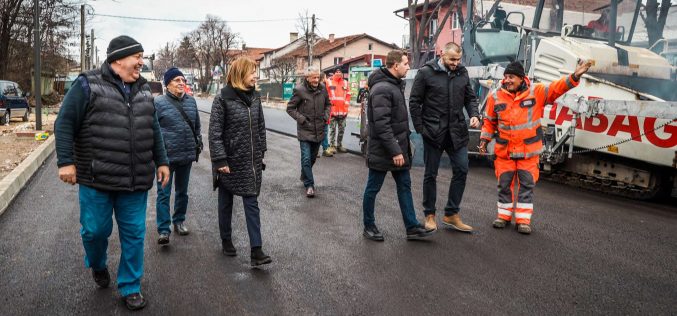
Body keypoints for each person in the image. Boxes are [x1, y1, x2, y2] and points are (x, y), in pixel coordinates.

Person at [55, 35, 169, 310]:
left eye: (142, 57)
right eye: (137, 57)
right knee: (95, 231)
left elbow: (153, 129)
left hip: (135, 180)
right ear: (118, 59)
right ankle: (97, 263)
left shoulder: (144, 90)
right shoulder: (87, 84)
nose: (142, 62)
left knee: (134, 235)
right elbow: (64, 122)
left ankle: (130, 285)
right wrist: (65, 162)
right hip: (97, 180)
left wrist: (162, 161)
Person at [479, 60, 592, 234]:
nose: (507, 80)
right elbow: (489, 122)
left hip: (528, 152)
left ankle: (523, 221)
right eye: (506, 77)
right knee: (504, 184)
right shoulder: (495, 96)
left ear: (521, 78)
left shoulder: (536, 92)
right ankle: (503, 216)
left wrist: (575, 75)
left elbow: (557, 87)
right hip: (505, 152)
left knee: (526, 186)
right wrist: (484, 140)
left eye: (511, 77)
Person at [362, 50, 435, 241]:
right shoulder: (382, 89)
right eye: (405, 63)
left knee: (404, 185)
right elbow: (381, 124)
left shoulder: (394, 85)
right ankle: (368, 226)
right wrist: (395, 150)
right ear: (395, 66)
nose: (408, 67)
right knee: (373, 188)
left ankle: (411, 226)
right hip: (384, 150)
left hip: (398, 148)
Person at [409, 42, 480, 233]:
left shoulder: (462, 72)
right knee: (431, 174)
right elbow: (414, 102)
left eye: (458, 59)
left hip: (456, 131)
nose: (456, 63)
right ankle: (429, 215)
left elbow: (470, 98)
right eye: (452, 59)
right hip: (433, 132)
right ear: (441, 55)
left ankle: (451, 214)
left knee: (462, 169)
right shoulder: (426, 73)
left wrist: (474, 114)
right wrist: (420, 129)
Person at [209, 56, 272, 266]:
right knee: (226, 202)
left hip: (250, 160)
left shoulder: (255, 98)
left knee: (251, 202)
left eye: (256, 72)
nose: (256, 75)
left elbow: (260, 126)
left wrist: (261, 151)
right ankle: (226, 239)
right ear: (240, 74)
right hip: (228, 160)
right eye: (252, 72)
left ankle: (256, 250)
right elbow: (215, 133)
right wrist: (219, 161)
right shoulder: (222, 99)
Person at [153, 67, 202, 245]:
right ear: (168, 84)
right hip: (165, 159)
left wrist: (197, 142)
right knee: (163, 194)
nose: (181, 83)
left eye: (183, 80)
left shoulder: (191, 102)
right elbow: (153, 130)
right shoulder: (158, 103)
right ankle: (163, 230)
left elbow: (196, 126)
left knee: (182, 192)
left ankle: (179, 221)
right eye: (177, 80)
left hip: (186, 156)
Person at [286, 66, 331, 197]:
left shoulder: (323, 88)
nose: (317, 80)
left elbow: (328, 104)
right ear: (307, 78)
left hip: (319, 129)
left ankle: (304, 174)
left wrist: (326, 116)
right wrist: (302, 119)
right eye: (314, 77)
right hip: (305, 129)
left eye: (318, 77)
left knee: (312, 158)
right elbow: (290, 108)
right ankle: (309, 185)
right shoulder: (300, 90)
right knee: (306, 158)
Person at [326, 69, 351, 153]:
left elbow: (348, 95)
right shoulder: (328, 82)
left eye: (340, 72)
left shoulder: (345, 83)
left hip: (343, 111)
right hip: (332, 111)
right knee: (332, 130)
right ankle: (332, 146)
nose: (338, 73)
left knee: (342, 129)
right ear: (334, 73)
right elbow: (325, 95)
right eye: (336, 72)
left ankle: (339, 145)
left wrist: (346, 106)